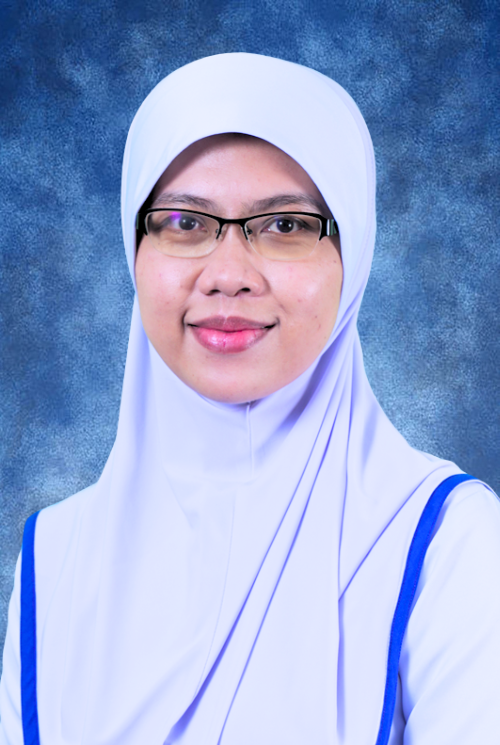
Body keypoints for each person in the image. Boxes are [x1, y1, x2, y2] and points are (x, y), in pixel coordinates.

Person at [1, 52, 499, 745]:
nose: (228, 274)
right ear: (135, 248)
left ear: (352, 253)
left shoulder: (448, 542)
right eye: (184, 222)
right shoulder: (55, 556)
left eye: (285, 225)